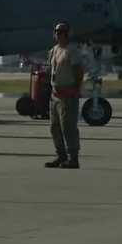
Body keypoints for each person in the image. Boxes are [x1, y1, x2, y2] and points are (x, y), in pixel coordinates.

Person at [45, 22, 84, 169]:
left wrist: (76, 89)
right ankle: (61, 156)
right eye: (56, 31)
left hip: (68, 94)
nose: (58, 34)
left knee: (68, 127)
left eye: (61, 31)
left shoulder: (72, 51)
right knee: (54, 127)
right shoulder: (54, 50)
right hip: (55, 94)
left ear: (68, 34)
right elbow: (51, 70)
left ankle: (73, 158)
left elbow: (79, 71)